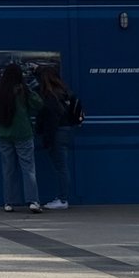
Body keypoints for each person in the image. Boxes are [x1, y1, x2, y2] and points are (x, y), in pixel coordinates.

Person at [0, 62, 43, 214]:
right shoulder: (23, 90)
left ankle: (9, 202)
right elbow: (38, 104)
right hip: (23, 133)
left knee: (8, 169)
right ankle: (33, 201)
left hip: (4, 134)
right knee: (28, 169)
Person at [34, 65, 83, 210]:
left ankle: (63, 199)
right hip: (66, 130)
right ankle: (62, 198)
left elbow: (50, 119)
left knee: (61, 166)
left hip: (56, 132)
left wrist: (45, 137)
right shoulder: (66, 92)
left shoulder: (49, 95)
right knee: (62, 166)